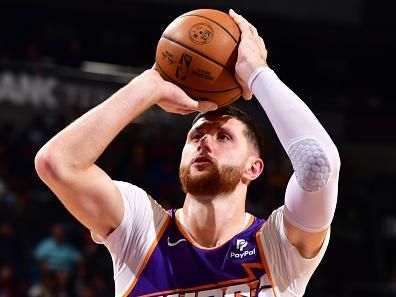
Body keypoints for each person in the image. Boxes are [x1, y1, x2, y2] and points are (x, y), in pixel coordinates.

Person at [35, 9, 340, 297]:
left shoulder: (277, 247)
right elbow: (57, 163)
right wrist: (150, 83)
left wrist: (257, 72)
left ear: (254, 168)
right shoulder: (142, 229)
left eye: (223, 136)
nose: (204, 142)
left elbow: (318, 164)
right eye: (196, 135)